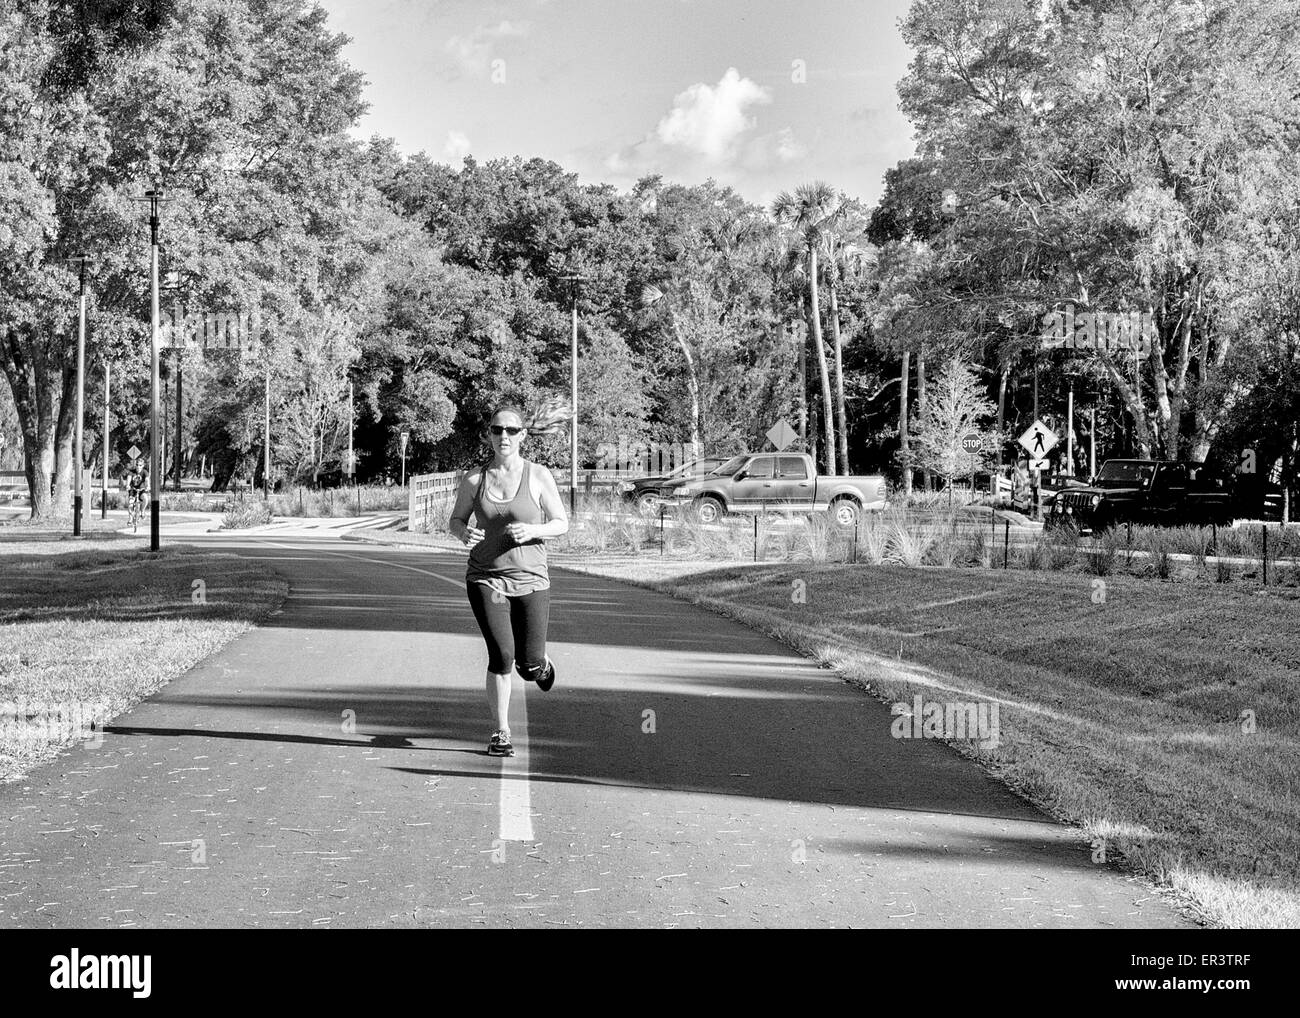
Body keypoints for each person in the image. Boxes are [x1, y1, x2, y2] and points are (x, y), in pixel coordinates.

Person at [447, 406, 570, 757]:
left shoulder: (538, 475)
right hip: (487, 578)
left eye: (512, 430)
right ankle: (500, 732)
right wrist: (462, 533)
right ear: (489, 433)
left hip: (532, 578)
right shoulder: (475, 479)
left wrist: (533, 529)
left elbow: (561, 522)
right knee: (502, 654)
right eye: (498, 429)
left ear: (522, 436)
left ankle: (541, 665)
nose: (504, 436)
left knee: (528, 666)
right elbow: (456, 520)